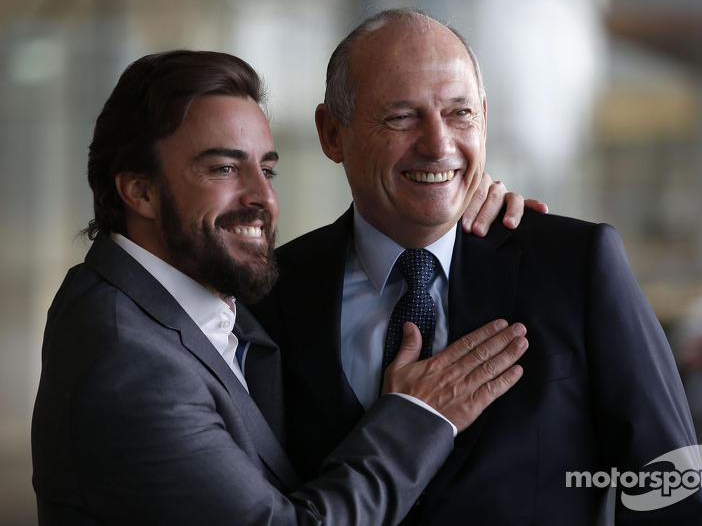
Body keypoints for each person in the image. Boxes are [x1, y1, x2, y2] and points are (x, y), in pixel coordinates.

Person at [250, 8, 702, 525]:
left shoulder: (573, 266)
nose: (438, 145)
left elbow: (670, 492)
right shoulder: (272, 293)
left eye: (459, 114)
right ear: (331, 133)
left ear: (485, 119)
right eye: (401, 116)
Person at [30, 49, 532, 525]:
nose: (262, 197)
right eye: (224, 168)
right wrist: (416, 416)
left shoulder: (196, 301)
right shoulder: (130, 363)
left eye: (266, 168)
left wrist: (444, 193)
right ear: (139, 190)